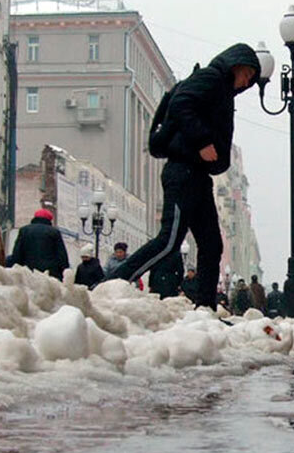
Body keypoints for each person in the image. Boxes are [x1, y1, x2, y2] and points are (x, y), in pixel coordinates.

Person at [106, 44, 262, 309]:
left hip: (198, 176)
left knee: (212, 245)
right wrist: (202, 141)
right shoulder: (211, 78)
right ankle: (112, 284)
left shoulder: (223, 92)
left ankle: (205, 308)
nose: (247, 82)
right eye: (247, 74)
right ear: (236, 64)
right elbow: (181, 103)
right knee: (169, 241)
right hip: (183, 172)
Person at [10, 208, 70, 280]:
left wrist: (15, 266)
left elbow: (17, 252)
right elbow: (61, 255)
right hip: (50, 273)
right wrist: (64, 270)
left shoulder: (24, 230)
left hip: (28, 272)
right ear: (49, 220)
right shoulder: (54, 232)